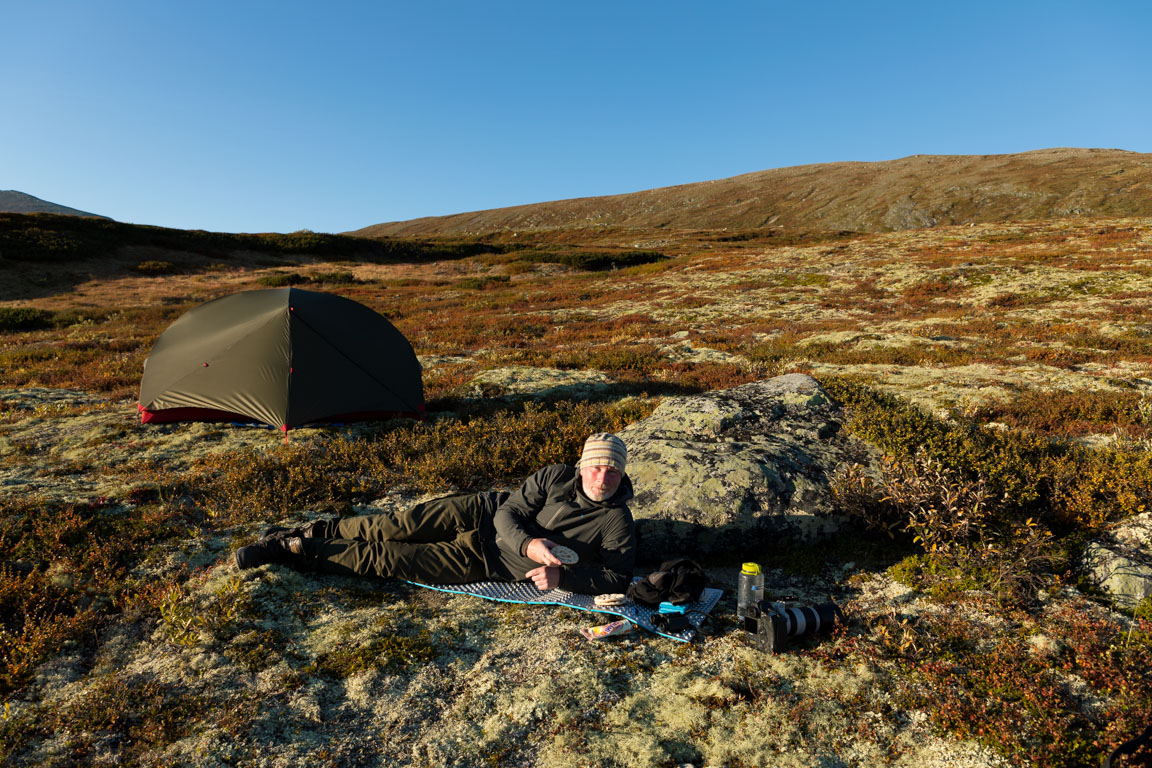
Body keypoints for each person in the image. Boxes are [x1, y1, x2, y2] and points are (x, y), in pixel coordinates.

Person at [234, 433, 635, 594]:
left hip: (484, 561)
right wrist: (529, 544)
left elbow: (618, 574)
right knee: (393, 525)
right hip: (477, 513)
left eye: (613, 470)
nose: (603, 477)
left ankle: (292, 549)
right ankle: (313, 527)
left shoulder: (616, 520)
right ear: (582, 467)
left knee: (389, 558)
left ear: (621, 474)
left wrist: (563, 575)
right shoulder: (555, 476)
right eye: (596, 467)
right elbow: (508, 512)